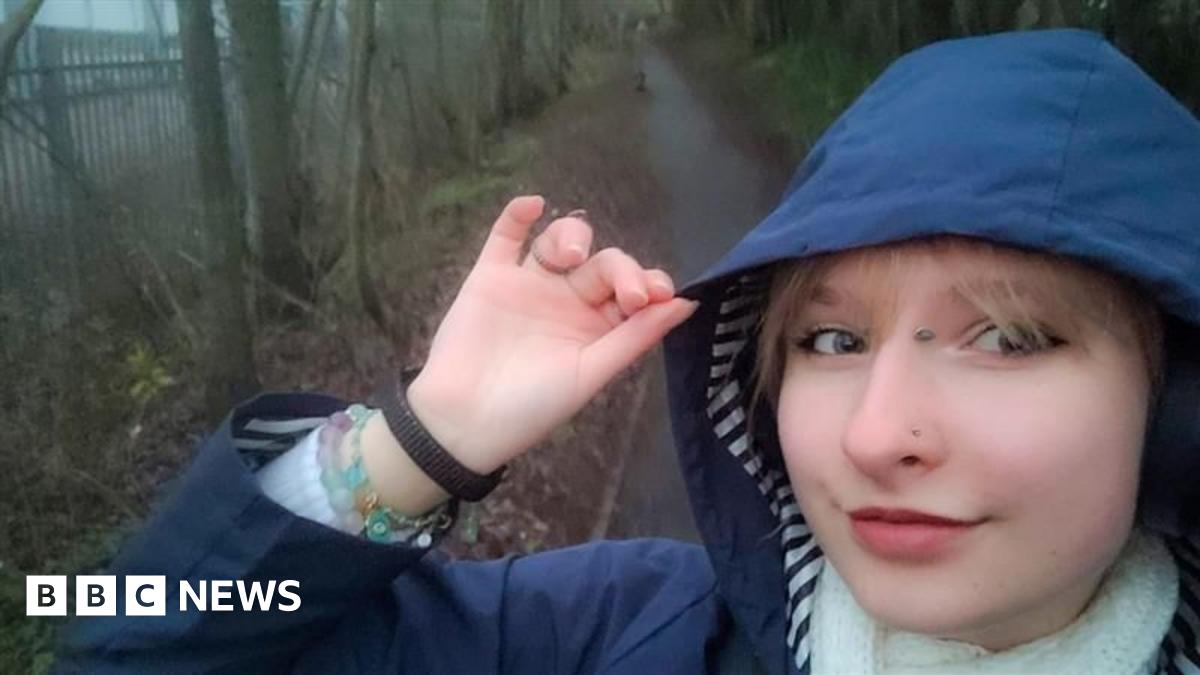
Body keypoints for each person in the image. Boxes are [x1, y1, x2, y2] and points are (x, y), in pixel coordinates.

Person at [56, 28, 1200, 675]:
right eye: (833, 338)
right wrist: (420, 439)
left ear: (1172, 402)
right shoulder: (627, 635)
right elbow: (134, 643)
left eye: (1006, 338)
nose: (873, 431)